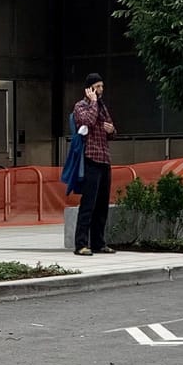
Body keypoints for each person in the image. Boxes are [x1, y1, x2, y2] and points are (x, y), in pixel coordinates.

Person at [71, 73, 115, 255]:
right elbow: (87, 121)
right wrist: (93, 102)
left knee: (102, 204)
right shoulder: (80, 106)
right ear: (89, 89)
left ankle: (98, 242)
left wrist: (111, 130)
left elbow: (111, 128)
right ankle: (81, 244)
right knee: (88, 203)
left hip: (104, 158)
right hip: (90, 158)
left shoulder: (102, 107)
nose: (100, 90)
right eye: (97, 87)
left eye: (102, 86)